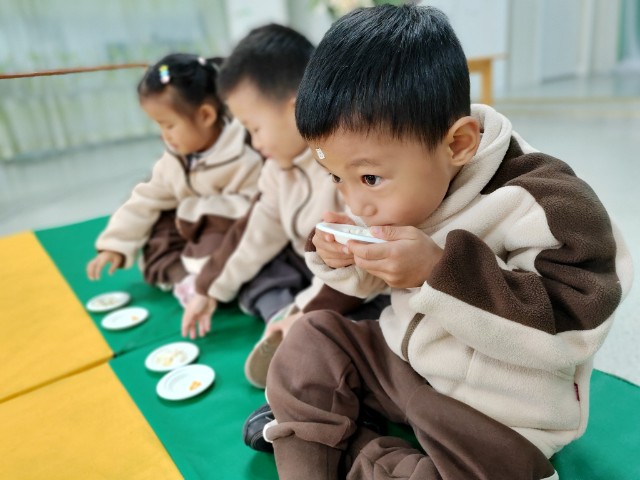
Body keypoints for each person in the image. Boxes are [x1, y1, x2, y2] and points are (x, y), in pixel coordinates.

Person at [247, 5, 633, 479]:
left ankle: (331, 435)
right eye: (334, 177)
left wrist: (437, 270)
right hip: (405, 363)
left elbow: (570, 331)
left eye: (369, 178)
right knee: (311, 338)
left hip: (493, 414)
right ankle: (323, 443)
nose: (355, 202)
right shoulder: (395, 176)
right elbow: (370, 280)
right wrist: (342, 257)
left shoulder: (549, 201)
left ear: (457, 145)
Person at [180, 24, 389, 387]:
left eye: (255, 128)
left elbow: (358, 267)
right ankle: (285, 318)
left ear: (295, 111)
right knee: (260, 264)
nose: (253, 142)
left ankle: (302, 335)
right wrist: (206, 288)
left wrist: (304, 311)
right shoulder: (277, 169)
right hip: (310, 270)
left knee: (364, 321)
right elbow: (253, 232)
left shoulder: (345, 164)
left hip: (360, 284)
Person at [87, 53, 263, 330]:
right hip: (190, 228)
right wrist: (115, 246)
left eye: (169, 125)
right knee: (157, 230)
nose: (164, 135)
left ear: (206, 115)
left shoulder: (244, 153)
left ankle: (211, 283)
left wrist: (199, 210)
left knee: (215, 232)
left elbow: (256, 208)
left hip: (227, 234)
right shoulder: (175, 159)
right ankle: (185, 280)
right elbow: (145, 198)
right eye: (159, 125)